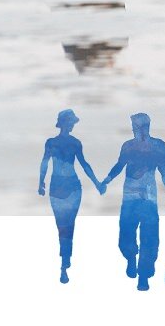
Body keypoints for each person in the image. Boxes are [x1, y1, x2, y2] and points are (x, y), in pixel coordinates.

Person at [99, 112, 165, 291]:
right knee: (126, 233)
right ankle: (131, 258)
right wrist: (106, 180)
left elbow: (164, 171)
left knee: (149, 238)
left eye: (135, 127)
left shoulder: (159, 146)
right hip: (130, 197)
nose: (133, 130)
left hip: (149, 198)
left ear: (144, 128)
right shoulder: (128, 146)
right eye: (133, 127)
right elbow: (119, 165)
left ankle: (143, 276)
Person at [38, 108, 103, 283]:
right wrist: (40, 182)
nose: (73, 126)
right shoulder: (52, 143)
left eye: (73, 123)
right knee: (62, 225)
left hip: (70, 187)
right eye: (71, 123)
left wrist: (97, 183)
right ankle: (65, 257)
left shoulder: (74, 143)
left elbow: (84, 164)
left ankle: (65, 261)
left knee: (68, 225)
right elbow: (44, 163)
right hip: (61, 187)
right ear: (64, 123)